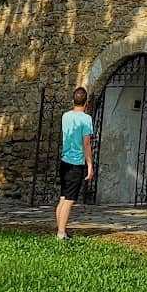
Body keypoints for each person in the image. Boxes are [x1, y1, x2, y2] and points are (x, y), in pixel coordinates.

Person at [55, 86, 95, 238]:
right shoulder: (86, 119)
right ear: (86, 102)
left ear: (73, 101)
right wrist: (90, 165)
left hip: (64, 161)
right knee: (70, 200)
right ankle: (61, 233)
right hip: (76, 163)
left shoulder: (65, 116)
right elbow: (86, 144)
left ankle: (60, 230)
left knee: (63, 198)